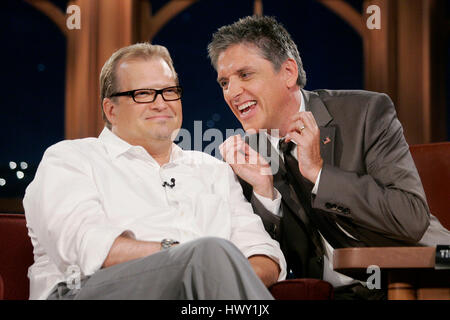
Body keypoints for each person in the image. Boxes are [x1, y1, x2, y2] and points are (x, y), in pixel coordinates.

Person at [207, 15, 449, 299]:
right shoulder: (245, 158)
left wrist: (320, 173)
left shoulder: (366, 113)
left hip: (422, 279)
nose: (233, 92)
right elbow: (273, 264)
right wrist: (264, 194)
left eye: (245, 75)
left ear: (288, 72)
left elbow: (411, 219)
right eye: (224, 82)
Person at [23, 42, 286, 300]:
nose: (161, 103)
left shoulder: (214, 170)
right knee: (207, 254)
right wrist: (190, 257)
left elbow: (264, 254)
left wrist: (218, 276)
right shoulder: (70, 159)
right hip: (82, 290)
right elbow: (87, 247)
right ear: (111, 110)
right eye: (143, 93)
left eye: (169, 91)